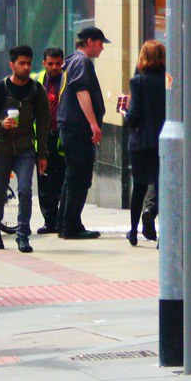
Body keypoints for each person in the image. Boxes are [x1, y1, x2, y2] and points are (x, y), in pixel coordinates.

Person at [0, 45, 50, 253]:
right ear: (12, 65)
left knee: (25, 191)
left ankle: (23, 235)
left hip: (25, 148)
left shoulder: (37, 90)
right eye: (22, 63)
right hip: (1, 148)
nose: (26, 67)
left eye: (29, 63)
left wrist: (43, 153)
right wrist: (1, 125)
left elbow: (44, 124)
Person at [56, 27, 109, 240]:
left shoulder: (72, 61)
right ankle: (70, 226)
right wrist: (94, 125)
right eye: (100, 43)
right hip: (78, 129)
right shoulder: (81, 62)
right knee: (79, 177)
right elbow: (81, 93)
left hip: (71, 128)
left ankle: (66, 222)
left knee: (72, 177)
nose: (102, 48)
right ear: (90, 41)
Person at [121, 40, 166, 246]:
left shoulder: (138, 82)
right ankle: (162, 231)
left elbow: (134, 113)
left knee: (138, 186)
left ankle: (133, 231)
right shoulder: (169, 80)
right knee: (162, 185)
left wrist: (125, 114)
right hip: (164, 140)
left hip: (140, 141)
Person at [31, 47, 67, 235]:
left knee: (62, 180)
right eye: (51, 63)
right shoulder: (37, 80)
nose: (54, 67)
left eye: (58, 63)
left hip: (61, 137)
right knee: (45, 181)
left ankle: (62, 219)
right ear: (44, 63)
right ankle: (49, 221)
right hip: (42, 138)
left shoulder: (67, 80)